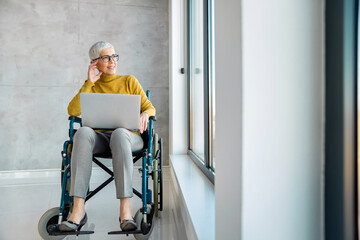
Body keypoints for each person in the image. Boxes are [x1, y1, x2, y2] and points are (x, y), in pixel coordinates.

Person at [49, 41, 156, 233]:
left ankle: (125, 212)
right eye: (106, 57)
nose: (112, 61)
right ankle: (78, 211)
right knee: (82, 132)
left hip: (128, 138)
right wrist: (89, 82)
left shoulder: (129, 81)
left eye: (114, 56)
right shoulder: (91, 85)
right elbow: (72, 110)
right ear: (94, 62)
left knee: (120, 133)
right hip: (101, 140)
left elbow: (149, 106)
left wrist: (145, 114)